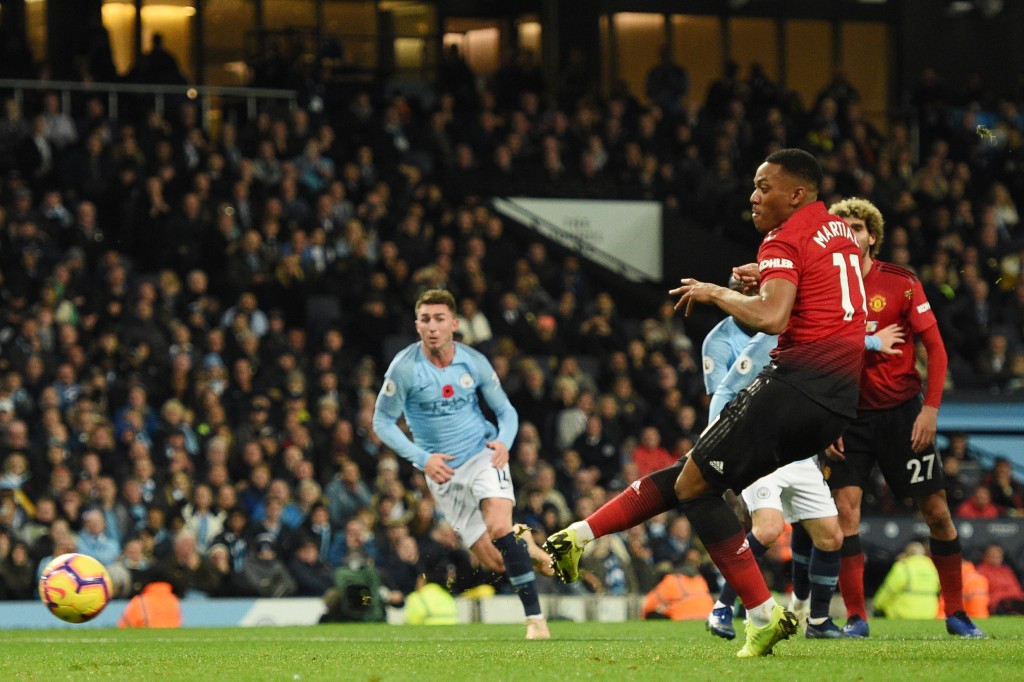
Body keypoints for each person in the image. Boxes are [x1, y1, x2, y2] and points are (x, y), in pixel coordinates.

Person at [545, 148, 867, 658]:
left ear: (798, 194)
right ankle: (578, 537)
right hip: (838, 400)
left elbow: (774, 317)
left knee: (695, 489)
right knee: (693, 476)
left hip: (796, 384)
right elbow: (825, 294)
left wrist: (719, 292)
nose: (754, 195)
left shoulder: (782, 238)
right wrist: (769, 278)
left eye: (765, 186)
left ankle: (760, 615)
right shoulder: (841, 234)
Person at [822, 197, 985, 639]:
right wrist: (826, 421)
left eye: (856, 227)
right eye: (841, 228)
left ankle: (955, 613)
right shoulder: (822, 287)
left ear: (872, 235)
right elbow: (817, 358)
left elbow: (936, 348)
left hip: (902, 413)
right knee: (845, 513)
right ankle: (856, 617)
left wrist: (931, 409)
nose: (849, 234)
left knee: (936, 512)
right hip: (847, 416)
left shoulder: (901, 283)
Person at [701, 311, 904, 640]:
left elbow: (840, 356)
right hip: (761, 451)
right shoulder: (766, 342)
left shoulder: (820, 343)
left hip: (800, 457)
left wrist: (877, 342)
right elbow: (725, 391)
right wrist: (715, 443)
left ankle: (819, 622)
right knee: (767, 530)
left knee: (831, 537)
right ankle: (721, 609)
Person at [372, 289, 550, 640]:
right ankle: (525, 543)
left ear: (454, 324)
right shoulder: (404, 369)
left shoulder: (473, 362)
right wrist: (422, 458)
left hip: (483, 454)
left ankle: (535, 620)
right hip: (442, 474)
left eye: (439, 319)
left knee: (499, 527)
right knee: (495, 561)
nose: (433, 327)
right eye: (425, 320)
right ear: (417, 325)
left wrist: (504, 441)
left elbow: (506, 412)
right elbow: (381, 423)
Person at [871, 541, 940, 619]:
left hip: (903, 613)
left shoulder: (903, 567)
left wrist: (877, 605)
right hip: (929, 613)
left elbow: (889, 590)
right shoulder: (932, 567)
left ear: (906, 554)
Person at [117, 580, 183, 628]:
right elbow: (179, 620)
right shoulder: (173, 599)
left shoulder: (140, 600)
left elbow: (124, 624)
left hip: (145, 633)